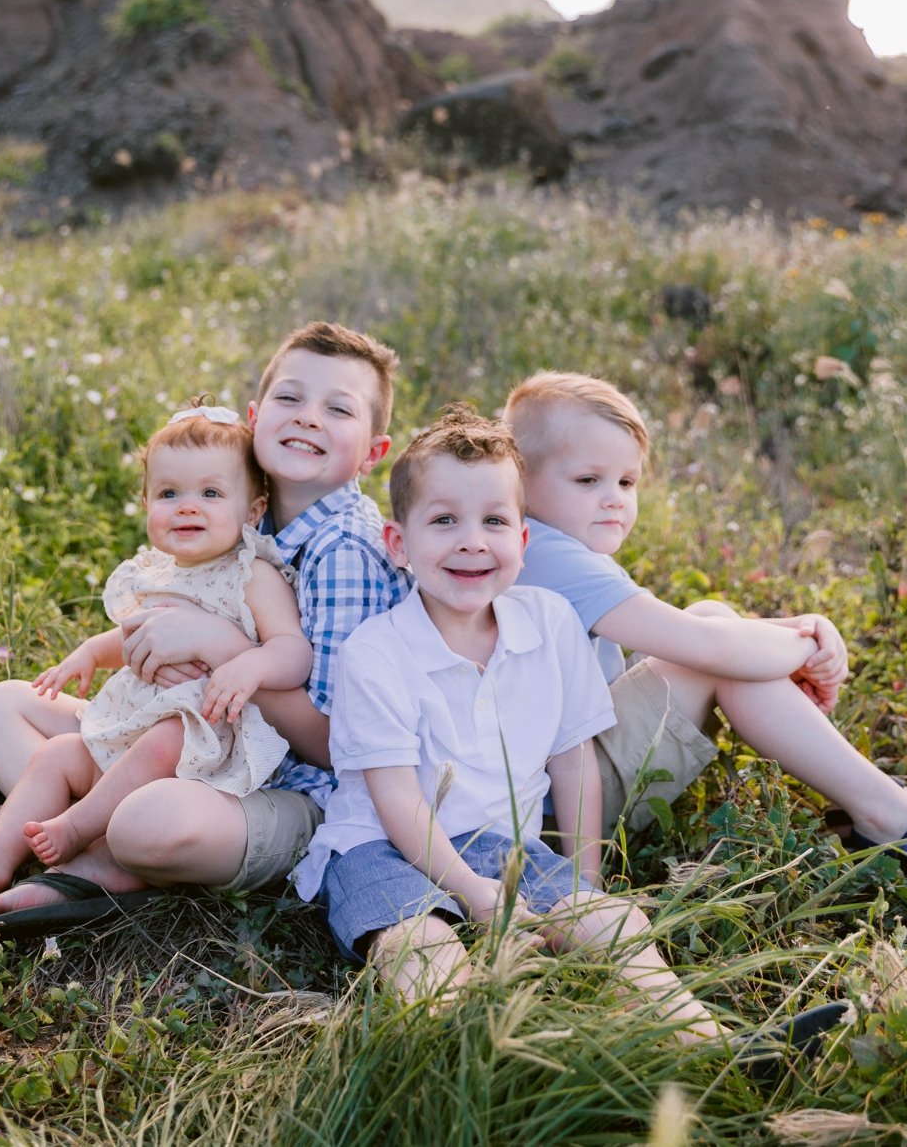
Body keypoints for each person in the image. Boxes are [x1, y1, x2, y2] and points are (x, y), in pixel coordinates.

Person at [0, 322, 407, 930]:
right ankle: (74, 830)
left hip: (290, 786)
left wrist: (219, 647)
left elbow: (338, 748)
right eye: (290, 398)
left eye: (337, 408)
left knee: (149, 821)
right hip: (185, 737)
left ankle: (97, 854)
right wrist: (140, 650)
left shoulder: (344, 552)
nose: (307, 418)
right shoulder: (241, 506)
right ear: (255, 418)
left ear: (373, 452)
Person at [296, 406, 723, 1038]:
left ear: (523, 541)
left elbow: (573, 759)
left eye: (494, 521)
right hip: (380, 845)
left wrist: (584, 883)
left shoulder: (548, 624)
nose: (472, 540)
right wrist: (473, 893)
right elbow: (395, 796)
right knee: (423, 946)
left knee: (613, 923)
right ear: (399, 544)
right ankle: (467, 1054)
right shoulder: (376, 652)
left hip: (503, 845)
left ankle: (699, 1038)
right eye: (444, 521)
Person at [502, 372, 907, 885]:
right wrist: (804, 645)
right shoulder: (545, 554)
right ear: (518, 481)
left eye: (627, 482)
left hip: (563, 785)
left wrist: (791, 630)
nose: (614, 498)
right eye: (588, 480)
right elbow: (705, 648)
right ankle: (887, 812)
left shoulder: (546, 546)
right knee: (715, 654)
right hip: (559, 814)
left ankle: (879, 805)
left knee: (709, 614)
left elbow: (692, 630)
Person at [0, 405, 311, 897]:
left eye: (210, 493)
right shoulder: (157, 571)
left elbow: (293, 652)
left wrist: (250, 663)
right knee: (60, 753)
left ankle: (79, 831)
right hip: (134, 722)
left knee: (164, 741)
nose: (187, 506)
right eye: (169, 493)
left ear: (253, 511)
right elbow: (132, 636)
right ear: (146, 502)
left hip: (202, 739)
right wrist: (88, 653)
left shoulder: (252, 575)